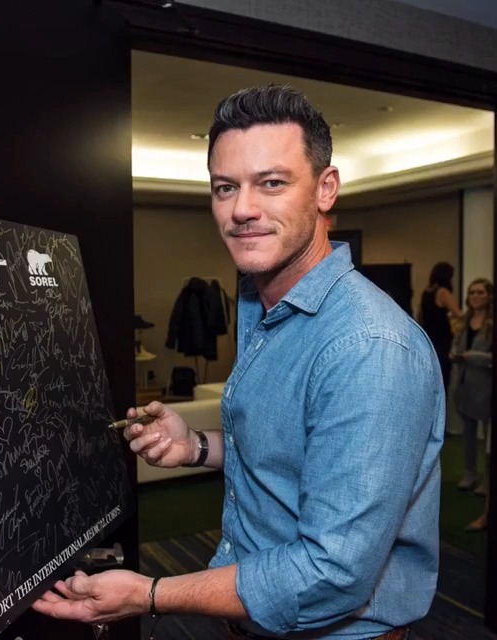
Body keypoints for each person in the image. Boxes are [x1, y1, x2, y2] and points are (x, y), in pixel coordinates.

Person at [33, 85, 445, 639]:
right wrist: (194, 447)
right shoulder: (260, 303)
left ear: (326, 189)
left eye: (271, 183)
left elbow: (332, 572)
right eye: (225, 188)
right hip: (254, 620)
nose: (242, 209)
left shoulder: (369, 347)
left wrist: (150, 594)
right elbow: (297, 454)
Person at [449, 278, 493, 499]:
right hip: (465, 384)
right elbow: (456, 344)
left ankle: (488, 480)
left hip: (487, 385)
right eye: (472, 292)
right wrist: (454, 354)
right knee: (467, 433)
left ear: (489, 295)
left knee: (488, 437)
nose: (475, 296)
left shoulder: (494, 323)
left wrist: (471, 356)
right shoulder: (465, 320)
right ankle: (470, 473)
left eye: (480, 292)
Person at [418, 262, 461, 391]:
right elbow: (457, 313)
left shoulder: (426, 292)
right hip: (442, 338)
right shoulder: (442, 292)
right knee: (443, 374)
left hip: (428, 337)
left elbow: (421, 314)